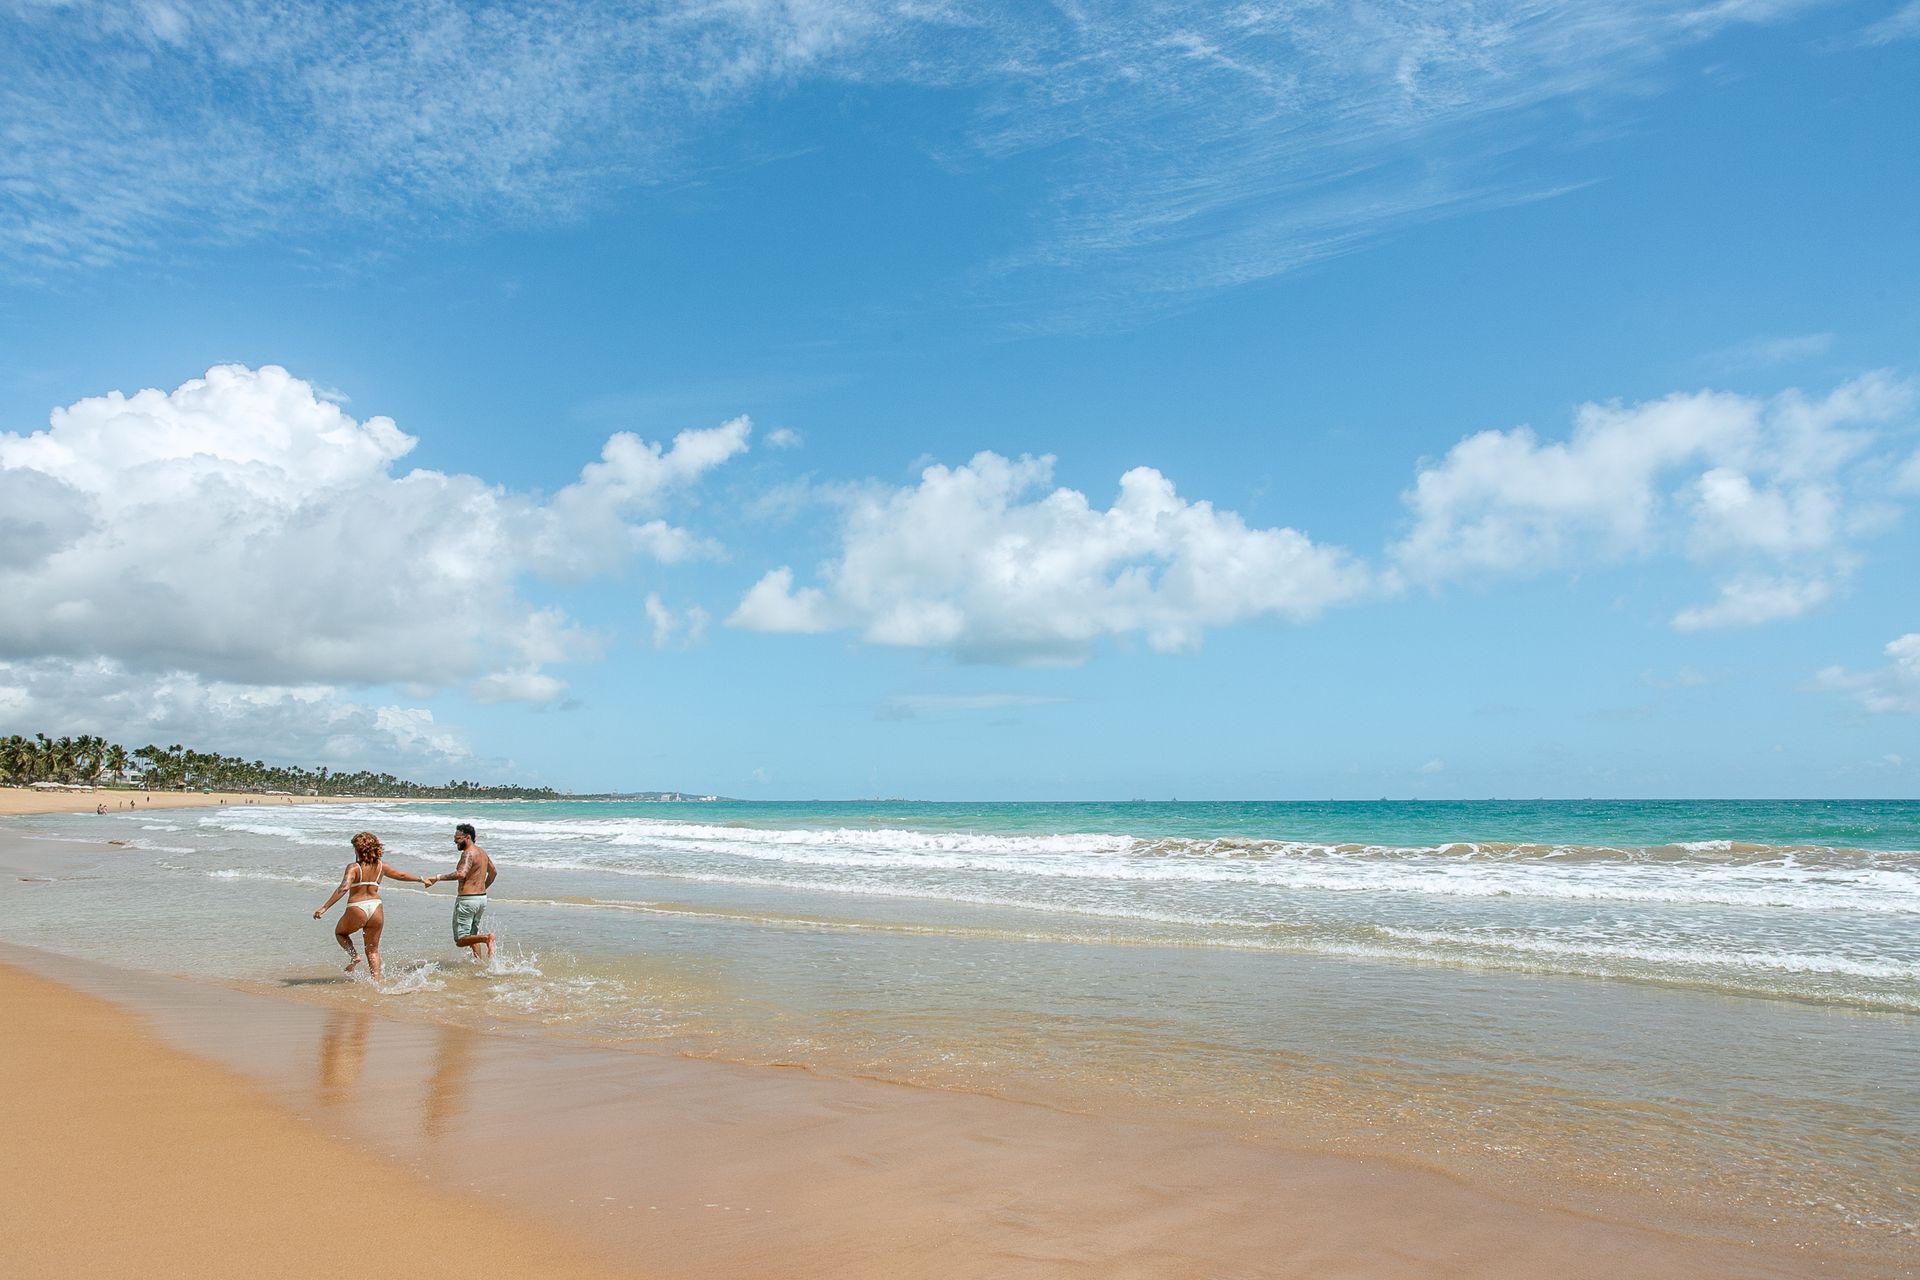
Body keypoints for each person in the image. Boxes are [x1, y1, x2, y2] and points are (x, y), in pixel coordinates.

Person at [313, 831, 425, 979]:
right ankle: (376, 982)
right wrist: (422, 879)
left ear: (358, 849)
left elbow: (344, 887)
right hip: (376, 906)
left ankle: (354, 956)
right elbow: (401, 875)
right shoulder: (381, 866)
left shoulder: (353, 867)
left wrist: (324, 907)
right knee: (373, 950)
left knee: (340, 933)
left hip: (357, 906)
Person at [423, 822, 495, 961]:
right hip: (481, 899)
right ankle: (479, 962)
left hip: (467, 900)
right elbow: (493, 873)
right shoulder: (482, 853)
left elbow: (461, 874)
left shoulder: (468, 853)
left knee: (460, 939)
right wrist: (482, 887)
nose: (455, 841)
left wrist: (437, 877)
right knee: (472, 935)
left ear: (467, 837)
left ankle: (487, 938)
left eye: (457, 839)